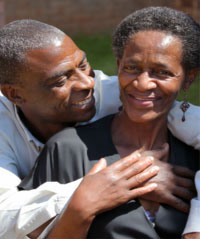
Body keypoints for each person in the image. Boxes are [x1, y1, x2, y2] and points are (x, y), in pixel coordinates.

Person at [0, 19, 199, 239]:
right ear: (15, 94)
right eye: (60, 80)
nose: (87, 83)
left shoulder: (118, 92)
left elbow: (172, 108)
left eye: (83, 64)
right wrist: (104, 188)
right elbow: (4, 217)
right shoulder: (55, 146)